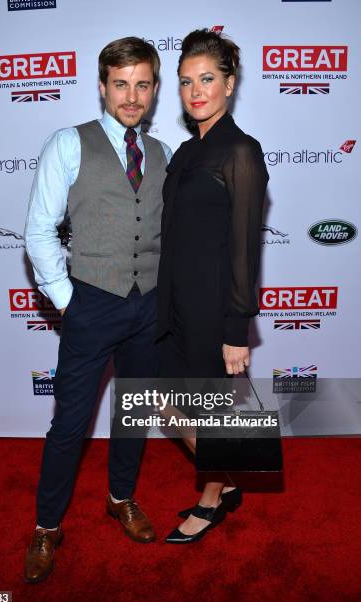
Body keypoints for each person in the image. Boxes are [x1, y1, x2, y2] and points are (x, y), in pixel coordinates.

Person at [23, 36, 171, 582]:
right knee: (69, 426)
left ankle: (121, 498)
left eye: (142, 84)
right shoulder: (68, 143)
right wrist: (70, 301)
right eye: (120, 84)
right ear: (103, 85)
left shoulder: (163, 154)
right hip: (91, 305)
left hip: (149, 306)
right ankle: (46, 527)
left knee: (133, 414)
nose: (131, 96)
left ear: (155, 89)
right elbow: (39, 231)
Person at [157, 30, 269, 543]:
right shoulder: (184, 151)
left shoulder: (241, 152)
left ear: (229, 84)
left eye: (207, 79)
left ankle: (212, 497)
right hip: (174, 307)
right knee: (162, 402)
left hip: (212, 311)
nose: (196, 90)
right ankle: (228, 476)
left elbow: (246, 247)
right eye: (186, 81)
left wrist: (236, 329)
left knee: (207, 411)